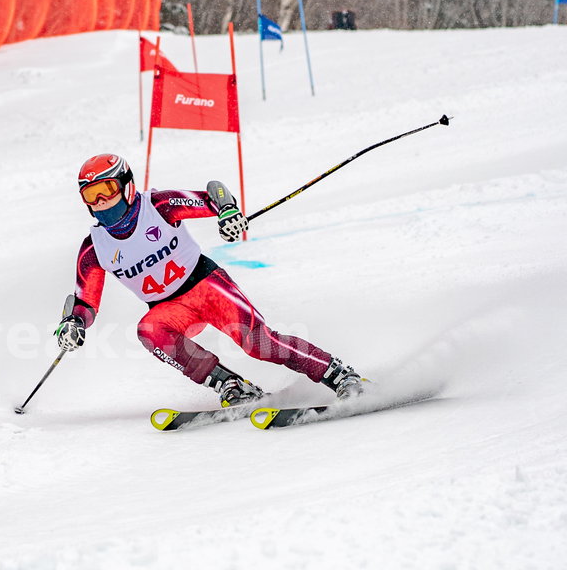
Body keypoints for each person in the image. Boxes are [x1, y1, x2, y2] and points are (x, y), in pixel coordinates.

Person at [55, 153, 364, 407]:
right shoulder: (95, 249)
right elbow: (84, 302)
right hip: (171, 309)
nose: (101, 202)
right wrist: (74, 323)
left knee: (258, 344)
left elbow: (213, 194)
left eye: (106, 190)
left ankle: (337, 374)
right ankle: (231, 385)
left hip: (206, 286)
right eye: (90, 196)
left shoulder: (158, 206)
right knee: (149, 329)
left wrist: (228, 212)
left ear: (127, 187)